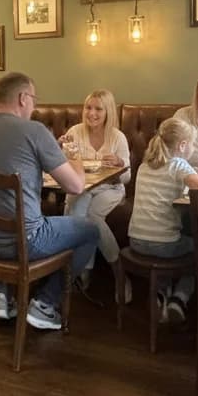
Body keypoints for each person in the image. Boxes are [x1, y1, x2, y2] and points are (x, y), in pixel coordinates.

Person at [0, 72, 98, 330]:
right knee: (90, 230)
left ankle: (1, 295)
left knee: (4, 216)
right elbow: (76, 186)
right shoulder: (34, 131)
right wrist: (75, 158)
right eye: (34, 99)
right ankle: (44, 304)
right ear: (23, 98)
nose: (34, 106)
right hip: (23, 242)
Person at [127, 117, 198, 324]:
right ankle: (179, 299)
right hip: (164, 245)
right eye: (192, 144)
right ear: (183, 145)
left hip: (135, 241)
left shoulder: (145, 165)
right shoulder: (179, 165)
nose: (192, 148)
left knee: (169, 239)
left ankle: (159, 293)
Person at [59, 89, 131, 302]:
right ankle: (83, 271)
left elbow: (126, 177)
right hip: (81, 188)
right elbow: (64, 167)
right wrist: (60, 149)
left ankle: (114, 272)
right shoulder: (75, 131)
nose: (92, 113)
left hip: (110, 189)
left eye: (98, 109)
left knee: (91, 215)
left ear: (108, 111)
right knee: (78, 209)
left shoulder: (118, 137)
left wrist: (120, 165)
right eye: (88, 108)